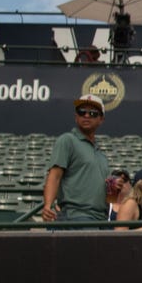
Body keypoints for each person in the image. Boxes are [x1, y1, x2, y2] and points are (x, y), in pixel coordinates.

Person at [40, 94, 111, 222]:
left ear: (101, 119)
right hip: (75, 215)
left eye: (93, 113)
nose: (87, 115)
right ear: (76, 117)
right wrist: (48, 205)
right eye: (82, 112)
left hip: (100, 218)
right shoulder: (67, 140)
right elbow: (54, 175)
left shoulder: (101, 154)